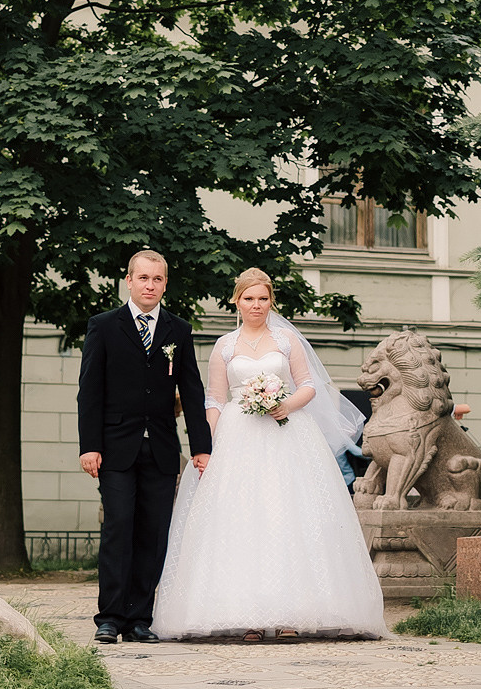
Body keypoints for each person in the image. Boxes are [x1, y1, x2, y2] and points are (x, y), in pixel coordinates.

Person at [153, 267, 385, 641]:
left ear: (270, 301)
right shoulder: (225, 346)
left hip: (286, 434)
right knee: (243, 519)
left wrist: (286, 405)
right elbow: (213, 398)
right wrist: (208, 444)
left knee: (290, 515)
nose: (256, 305)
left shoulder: (286, 341)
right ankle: (252, 617)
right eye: (249, 299)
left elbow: (309, 385)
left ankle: (294, 614)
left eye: (262, 298)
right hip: (239, 437)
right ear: (237, 301)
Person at [77, 250, 212, 644]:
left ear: (165, 284)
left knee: (154, 534)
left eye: (157, 279)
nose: (150, 285)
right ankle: (110, 616)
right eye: (143, 278)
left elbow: (191, 389)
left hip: (162, 449)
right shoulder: (104, 326)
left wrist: (201, 446)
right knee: (119, 528)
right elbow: (90, 392)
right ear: (129, 281)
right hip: (116, 448)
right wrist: (90, 445)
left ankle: (139, 618)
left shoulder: (178, 330)